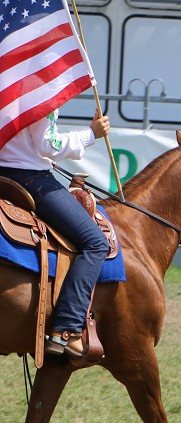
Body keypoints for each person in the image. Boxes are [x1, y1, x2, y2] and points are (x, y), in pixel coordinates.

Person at [0, 110, 110, 358]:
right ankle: (67, 330)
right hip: (29, 177)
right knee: (95, 243)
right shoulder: (40, 89)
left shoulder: (6, 79)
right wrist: (91, 134)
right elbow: (49, 144)